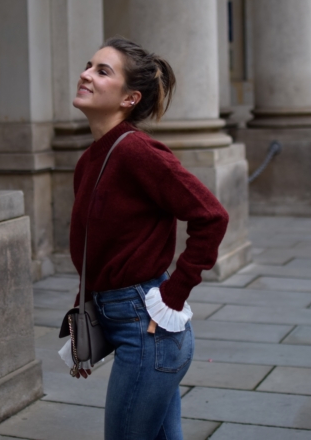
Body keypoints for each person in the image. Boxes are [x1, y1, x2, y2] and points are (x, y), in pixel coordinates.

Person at [59, 37, 229, 440]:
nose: (85, 74)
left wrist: (175, 293)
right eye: (88, 65)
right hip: (118, 316)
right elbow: (96, 246)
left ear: (129, 98)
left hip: (147, 324)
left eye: (102, 71)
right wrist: (82, 318)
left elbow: (211, 216)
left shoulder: (139, 152)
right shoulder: (89, 161)